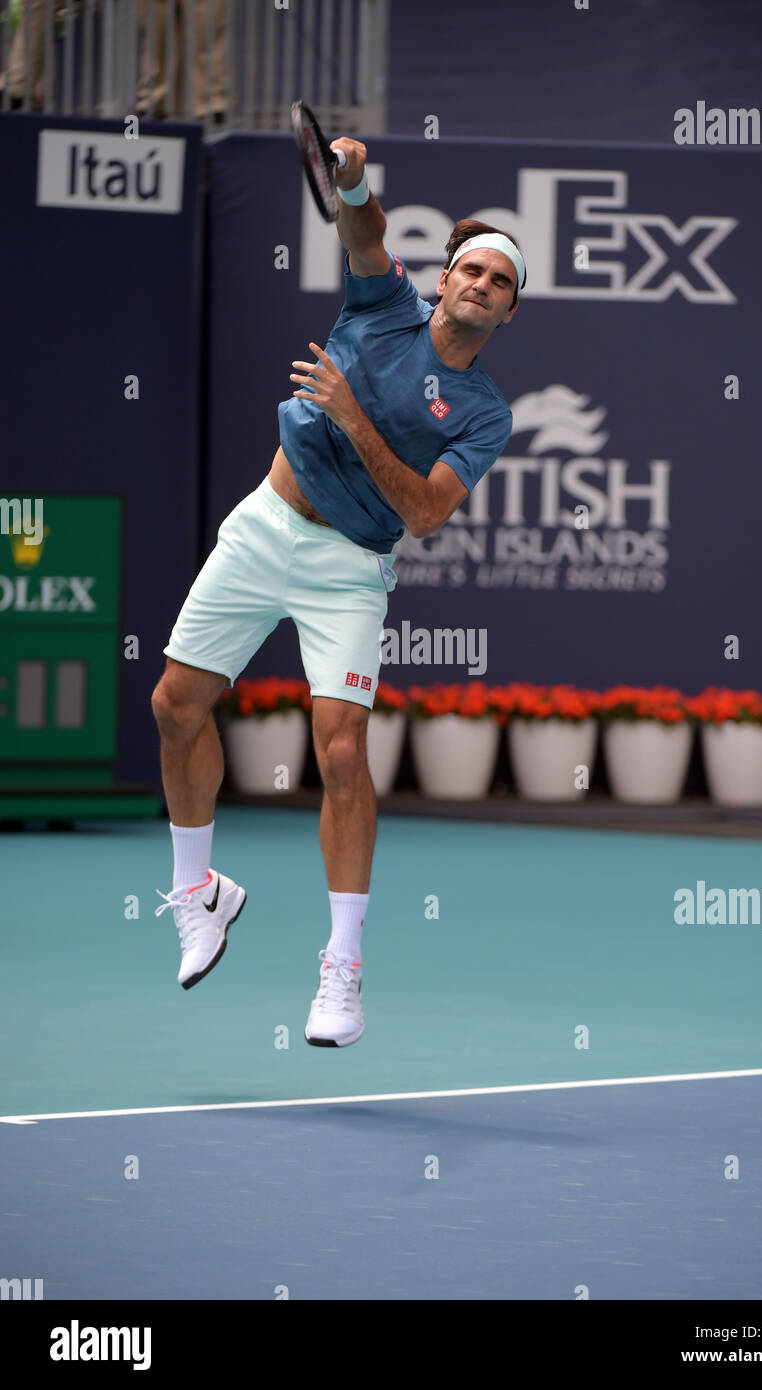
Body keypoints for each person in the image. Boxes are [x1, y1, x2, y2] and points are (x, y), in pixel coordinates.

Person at [151, 136, 524, 1046]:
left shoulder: (486, 413)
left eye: (499, 282)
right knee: (174, 706)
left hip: (352, 566)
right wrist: (351, 177)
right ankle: (199, 893)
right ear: (441, 281)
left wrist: (353, 419)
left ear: (509, 313)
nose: (477, 284)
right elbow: (364, 233)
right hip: (266, 521)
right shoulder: (384, 300)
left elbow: (427, 514)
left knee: (344, 755)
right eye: (468, 269)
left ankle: (343, 971)